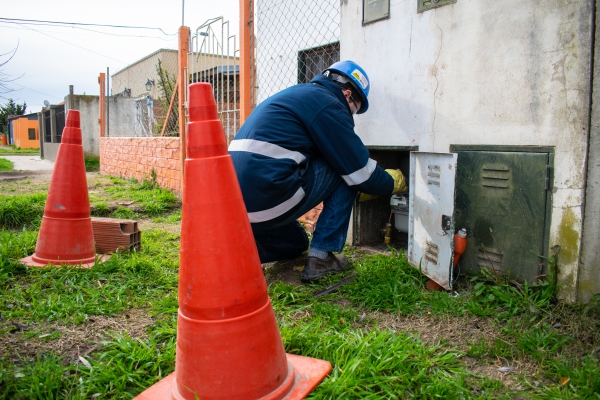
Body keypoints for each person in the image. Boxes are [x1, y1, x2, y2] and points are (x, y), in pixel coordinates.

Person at [229, 60, 407, 282]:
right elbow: (360, 172)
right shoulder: (329, 104)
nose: (351, 115)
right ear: (348, 94)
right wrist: (396, 183)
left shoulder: (296, 94)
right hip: (270, 197)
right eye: (355, 110)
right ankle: (321, 257)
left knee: (296, 243)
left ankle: (231, 255)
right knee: (345, 168)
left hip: (237, 209)